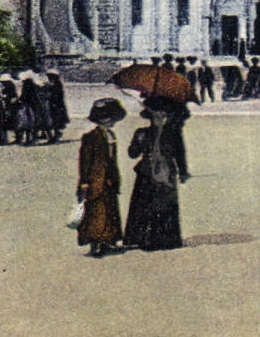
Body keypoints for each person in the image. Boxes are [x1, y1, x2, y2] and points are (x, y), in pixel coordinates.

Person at [124, 97, 186, 251]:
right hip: (146, 173)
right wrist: (138, 141)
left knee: (165, 206)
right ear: (150, 117)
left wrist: (183, 172)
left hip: (166, 175)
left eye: (163, 116)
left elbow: (180, 154)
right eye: (156, 116)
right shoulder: (142, 132)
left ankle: (167, 239)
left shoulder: (173, 133)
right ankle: (144, 239)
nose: (160, 119)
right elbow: (132, 154)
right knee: (145, 205)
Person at [78, 98, 126, 257]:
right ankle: (95, 244)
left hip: (109, 179)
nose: (111, 122)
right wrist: (84, 182)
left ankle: (108, 242)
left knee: (109, 210)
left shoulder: (111, 135)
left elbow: (112, 160)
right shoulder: (91, 136)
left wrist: (115, 177)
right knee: (96, 213)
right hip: (95, 180)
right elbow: (85, 162)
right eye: (109, 119)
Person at [44, 69, 70, 143]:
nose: (49, 78)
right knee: (55, 120)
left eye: (50, 76)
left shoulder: (57, 84)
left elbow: (58, 95)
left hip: (57, 105)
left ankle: (55, 136)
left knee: (56, 120)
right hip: (56, 104)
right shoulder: (56, 84)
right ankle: (56, 136)